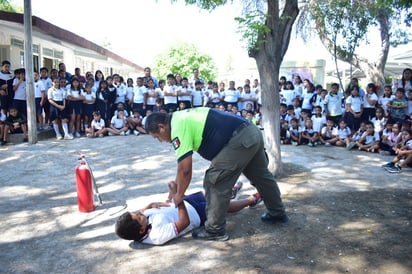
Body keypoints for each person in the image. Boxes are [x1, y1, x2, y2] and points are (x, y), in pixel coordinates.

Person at [144, 107, 288, 241]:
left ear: (162, 127)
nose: (160, 141)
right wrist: (177, 188)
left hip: (238, 140)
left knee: (214, 182)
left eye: (157, 136)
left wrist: (179, 194)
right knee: (262, 177)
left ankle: (215, 230)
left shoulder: (177, 127)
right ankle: (277, 212)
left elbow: (185, 169)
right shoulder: (181, 117)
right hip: (251, 133)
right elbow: (182, 169)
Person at [115, 181, 262, 245]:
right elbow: (183, 223)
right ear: (141, 230)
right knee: (224, 206)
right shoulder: (156, 236)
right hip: (195, 214)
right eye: (139, 217)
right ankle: (251, 199)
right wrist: (178, 201)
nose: (141, 214)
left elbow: (140, 212)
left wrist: (149, 205)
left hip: (186, 203)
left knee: (211, 193)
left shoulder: (140, 224)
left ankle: (229, 192)